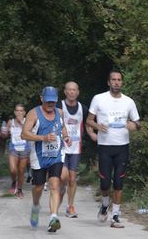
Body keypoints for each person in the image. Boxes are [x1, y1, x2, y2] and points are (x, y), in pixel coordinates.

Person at [86, 69, 141, 228]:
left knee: (118, 181)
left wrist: (134, 126)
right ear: (108, 82)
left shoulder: (128, 101)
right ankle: (104, 204)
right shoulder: (99, 99)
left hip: (122, 147)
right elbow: (89, 120)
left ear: (121, 83)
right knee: (104, 183)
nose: (116, 82)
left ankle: (116, 215)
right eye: (113, 80)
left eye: (119, 80)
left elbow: (138, 123)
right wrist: (98, 126)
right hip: (105, 146)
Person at [21, 86, 71, 233]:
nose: (50, 105)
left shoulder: (60, 112)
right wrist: (43, 138)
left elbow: (62, 127)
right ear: (41, 98)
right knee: (38, 187)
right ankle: (36, 206)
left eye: (53, 102)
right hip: (39, 156)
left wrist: (66, 137)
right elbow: (24, 134)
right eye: (48, 101)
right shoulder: (33, 114)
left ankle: (53, 218)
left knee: (55, 184)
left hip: (56, 154)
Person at [57, 81, 97, 218]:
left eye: (74, 89)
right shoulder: (59, 106)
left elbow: (87, 124)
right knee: (63, 177)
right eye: (69, 89)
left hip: (75, 148)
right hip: (60, 148)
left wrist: (91, 133)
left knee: (73, 178)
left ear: (78, 92)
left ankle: (70, 206)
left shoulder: (83, 109)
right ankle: (62, 189)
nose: (72, 92)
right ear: (65, 92)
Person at [1, 104, 31, 198]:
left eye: (21, 111)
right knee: (13, 169)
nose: (19, 113)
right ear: (14, 112)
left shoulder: (27, 121)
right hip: (13, 148)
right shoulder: (11, 122)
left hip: (25, 148)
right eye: (17, 111)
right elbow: (5, 136)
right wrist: (4, 132)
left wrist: (21, 124)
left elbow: (30, 133)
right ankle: (14, 182)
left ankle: (19, 190)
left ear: (24, 112)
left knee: (21, 171)